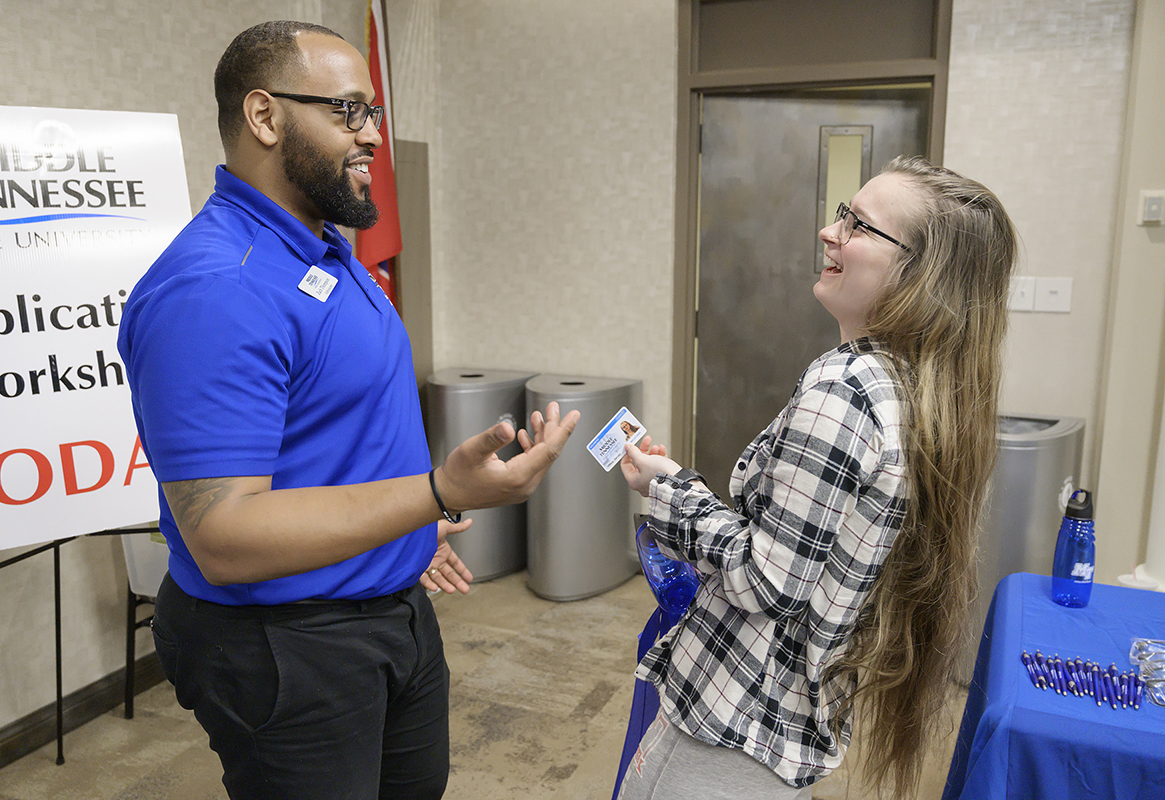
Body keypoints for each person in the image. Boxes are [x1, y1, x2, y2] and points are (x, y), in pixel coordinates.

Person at [116, 20, 579, 800]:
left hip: (391, 611)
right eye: (349, 112)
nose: (371, 137)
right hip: (290, 644)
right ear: (264, 116)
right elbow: (225, 538)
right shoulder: (216, 289)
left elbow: (333, 430)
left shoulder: (326, 248)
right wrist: (436, 493)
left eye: (374, 114)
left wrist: (406, 528)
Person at [617, 156, 1017, 800]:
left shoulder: (848, 389)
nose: (830, 233)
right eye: (842, 215)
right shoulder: (917, 391)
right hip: (787, 729)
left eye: (859, 225)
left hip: (730, 726)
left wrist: (668, 489)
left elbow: (762, 580)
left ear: (921, 274)